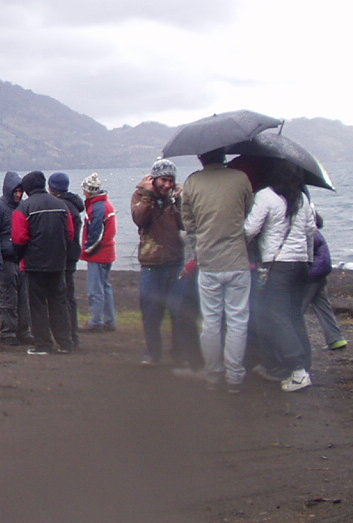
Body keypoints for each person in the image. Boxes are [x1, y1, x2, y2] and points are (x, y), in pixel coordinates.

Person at [181, 148, 255, 392]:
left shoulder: (192, 182)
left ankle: (213, 374)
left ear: (200, 157)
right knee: (237, 320)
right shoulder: (240, 178)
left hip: (209, 262)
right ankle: (235, 376)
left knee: (211, 321)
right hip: (237, 259)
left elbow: (189, 222)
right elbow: (248, 210)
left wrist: (199, 245)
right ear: (223, 156)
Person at [244, 160, 316, 392]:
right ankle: (303, 365)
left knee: (277, 316)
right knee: (295, 315)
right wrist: (308, 258)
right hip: (301, 264)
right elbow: (311, 230)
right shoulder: (301, 197)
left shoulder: (265, 195)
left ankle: (297, 370)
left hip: (277, 265)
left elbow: (250, 229)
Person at [131, 159, 199, 367]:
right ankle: (153, 353)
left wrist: (178, 202)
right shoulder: (140, 195)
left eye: (171, 181)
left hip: (175, 262)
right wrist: (148, 195)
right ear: (153, 179)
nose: (167, 185)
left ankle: (179, 354)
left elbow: (184, 224)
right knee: (151, 311)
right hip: (151, 263)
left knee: (179, 311)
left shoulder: (174, 198)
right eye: (163, 180)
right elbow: (139, 219)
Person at [12, 170, 74, 354]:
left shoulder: (23, 208)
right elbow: (70, 233)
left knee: (37, 304)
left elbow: (19, 238)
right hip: (58, 262)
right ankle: (65, 342)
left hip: (35, 263)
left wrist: (20, 256)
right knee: (59, 302)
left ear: (27, 188)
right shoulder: (61, 205)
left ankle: (43, 344)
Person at [0, 172, 30, 346]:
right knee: (7, 299)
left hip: (21, 260)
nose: (18, 194)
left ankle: (23, 331)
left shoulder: (23, 206)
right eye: (16, 191)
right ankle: (8, 333)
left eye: (20, 191)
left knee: (24, 299)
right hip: (6, 261)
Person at [302, 210, 348, 351]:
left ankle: (297, 343)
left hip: (312, 275)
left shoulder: (309, 235)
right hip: (321, 273)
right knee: (322, 307)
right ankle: (336, 339)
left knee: (297, 309)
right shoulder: (316, 234)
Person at [48, 172, 83, 352]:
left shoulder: (63, 207)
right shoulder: (73, 205)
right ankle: (72, 334)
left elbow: (65, 233)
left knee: (63, 296)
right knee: (68, 295)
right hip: (72, 253)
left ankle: (68, 334)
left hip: (64, 255)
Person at [80, 173, 116, 333]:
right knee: (106, 286)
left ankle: (96, 321)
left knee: (95, 289)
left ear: (89, 191)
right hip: (107, 251)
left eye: (85, 190)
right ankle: (110, 320)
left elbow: (96, 232)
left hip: (98, 253)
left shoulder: (97, 207)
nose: (83, 192)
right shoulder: (105, 204)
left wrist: (87, 249)